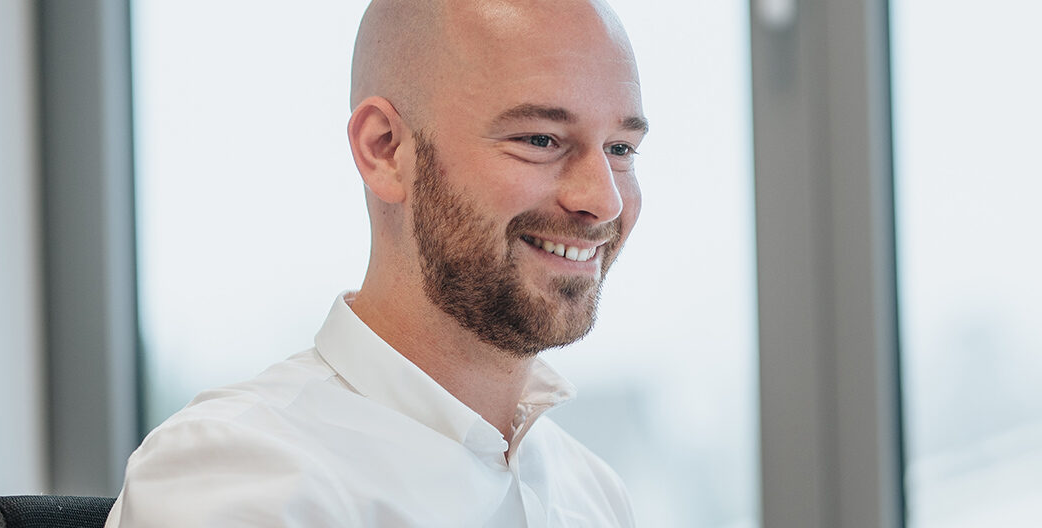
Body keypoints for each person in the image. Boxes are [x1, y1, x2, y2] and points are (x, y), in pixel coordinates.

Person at [103, 0, 647, 525]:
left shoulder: (593, 493)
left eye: (620, 149)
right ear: (385, 149)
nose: (604, 200)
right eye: (541, 139)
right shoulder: (239, 476)